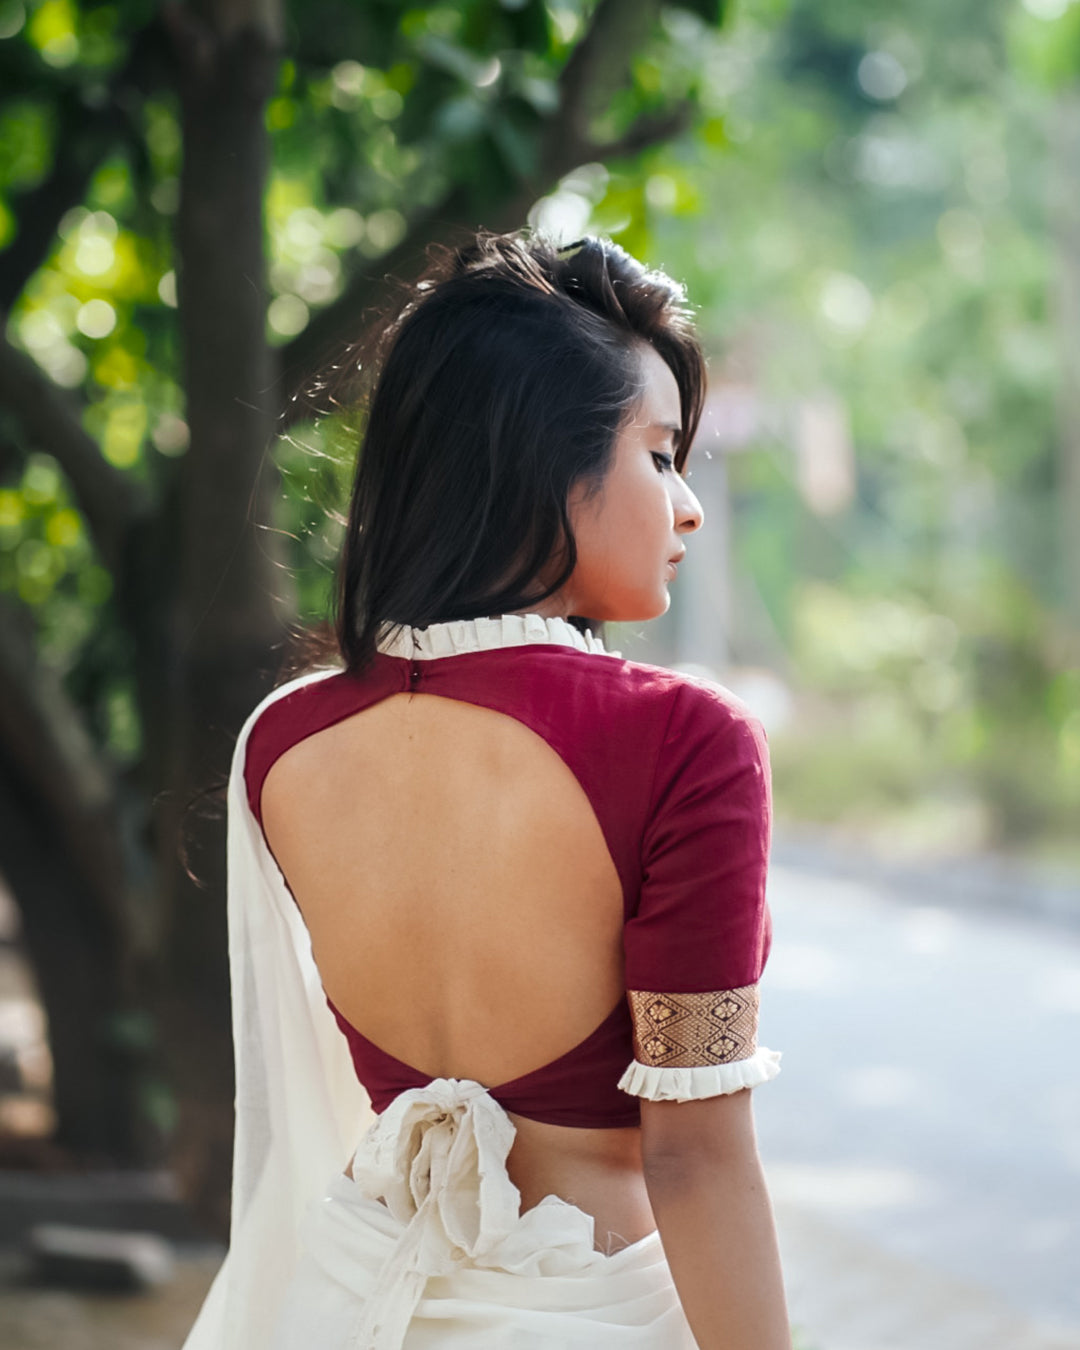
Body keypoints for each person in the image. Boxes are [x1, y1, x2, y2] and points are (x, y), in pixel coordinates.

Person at [181, 230, 790, 1350]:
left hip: (346, 1300)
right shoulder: (680, 740)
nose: (687, 507)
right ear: (541, 461)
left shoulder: (282, 742)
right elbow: (698, 1161)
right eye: (660, 456)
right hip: (587, 1317)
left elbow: (296, 1095)